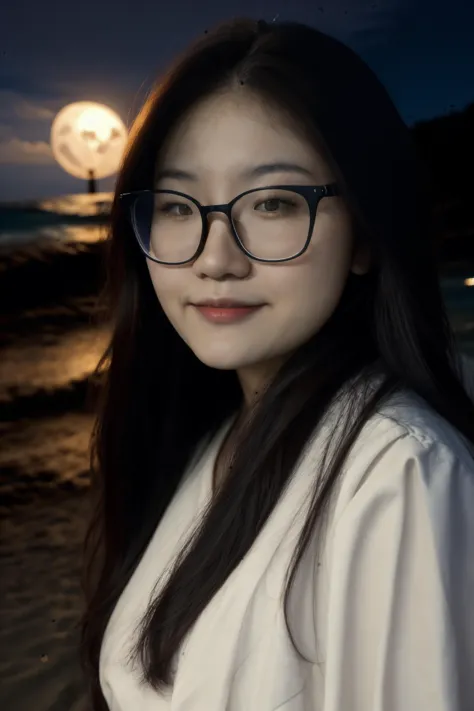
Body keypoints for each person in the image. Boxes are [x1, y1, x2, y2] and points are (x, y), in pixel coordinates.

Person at [80, 17, 474, 711]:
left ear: (364, 234)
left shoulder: (403, 475)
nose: (215, 257)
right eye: (177, 205)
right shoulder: (209, 441)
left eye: (272, 202)